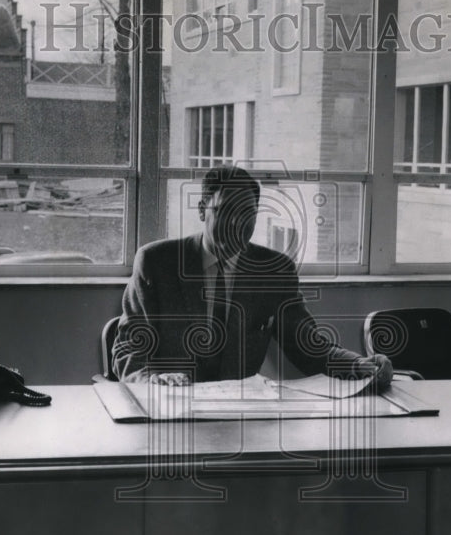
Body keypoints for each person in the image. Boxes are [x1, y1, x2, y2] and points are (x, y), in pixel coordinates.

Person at [112, 165, 393, 389]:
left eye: (247, 212)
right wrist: (152, 381)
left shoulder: (274, 270)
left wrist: (360, 365)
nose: (237, 223)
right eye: (225, 211)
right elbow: (128, 351)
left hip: (239, 414)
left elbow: (307, 346)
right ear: (201, 210)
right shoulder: (157, 262)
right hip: (169, 411)